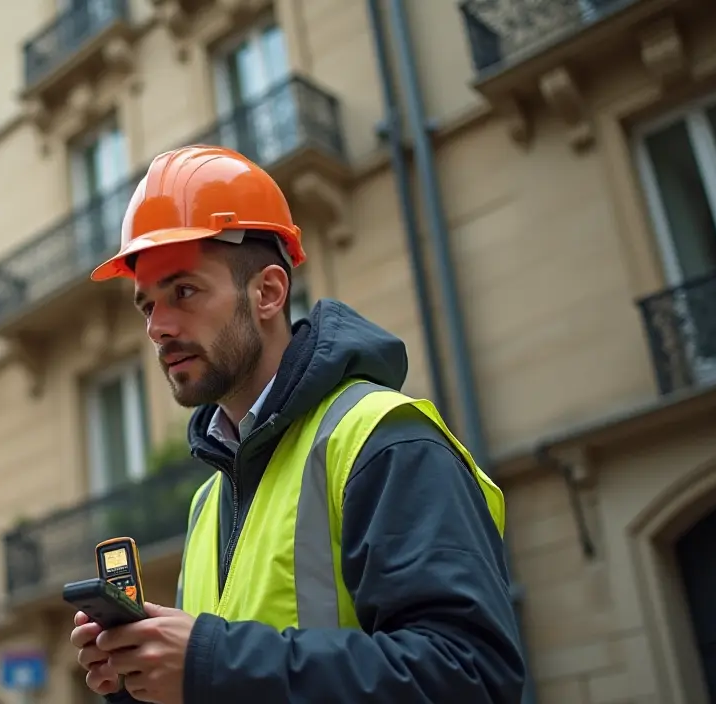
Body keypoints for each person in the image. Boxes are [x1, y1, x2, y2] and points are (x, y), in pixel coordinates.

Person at [69, 145, 526, 704]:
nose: (158, 328)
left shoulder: (382, 440)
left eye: (183, 292)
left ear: (267, 292)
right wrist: (146, 679)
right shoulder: (209, 502)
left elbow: (469, 676)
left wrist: (212, 661)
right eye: (147, 306)